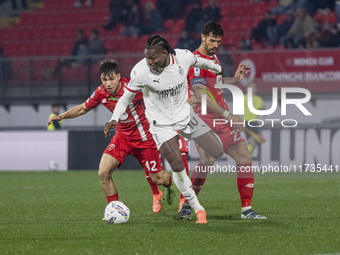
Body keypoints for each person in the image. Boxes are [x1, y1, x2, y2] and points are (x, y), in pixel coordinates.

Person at [104, 34, 226, 224]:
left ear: (165, 53)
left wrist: (218, 68)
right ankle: (197, 208)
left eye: (153, 57)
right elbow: (126, 98)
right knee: (177, 165)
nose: (149, 61)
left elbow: (200, 62)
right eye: (146, 57)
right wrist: (113, 118)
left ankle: (192, 203)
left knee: (217, 151)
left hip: (186, 117)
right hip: (160, 125)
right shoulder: (141, 71)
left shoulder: (182, 57)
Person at [47, 59, 175, 214]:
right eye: (104, 79)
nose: (108, 83)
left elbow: (158, 95)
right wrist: (61, 117)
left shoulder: (133, 87)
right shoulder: (101, 93)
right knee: (103, 172)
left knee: (159, 179)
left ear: (119, 76)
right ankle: (115, 209)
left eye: (111, 78)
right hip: (122, 138)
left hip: (145, 139)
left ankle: (167, 187)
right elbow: (82, 108)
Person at [184, 21, 267, 220]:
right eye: (212, 40)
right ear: (202, 37)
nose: (215, 45)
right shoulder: (195, 62)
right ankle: (187, 205)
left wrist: (235, 79)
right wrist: (228, 114)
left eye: (218, 42)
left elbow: (215, 84)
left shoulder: (213, 58)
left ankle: (247, 210)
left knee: (244, 158)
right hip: (204, 119)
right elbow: (202, 95)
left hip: (221, 117)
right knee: (207, 160)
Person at [243, 83, 265, 155]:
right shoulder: (243, 98)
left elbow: (264, 114)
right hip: (246, 122)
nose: (252, 89)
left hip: (255, 123)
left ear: (256, 89)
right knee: (252, 141)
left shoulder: (258, 99)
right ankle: (246, 161)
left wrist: (264, 110)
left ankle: (246, 159)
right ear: (247, 89)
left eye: (254, 88)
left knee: (254, 144)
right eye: (250, 88)